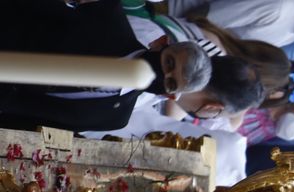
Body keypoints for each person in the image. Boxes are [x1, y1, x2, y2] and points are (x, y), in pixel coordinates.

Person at [0, 0, 213, 135]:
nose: (161, 74)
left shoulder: (116, 118)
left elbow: (37, 126)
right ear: (160, 42)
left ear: (170, 96)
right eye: (169, 62)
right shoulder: (107, 16)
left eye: (170, 82)